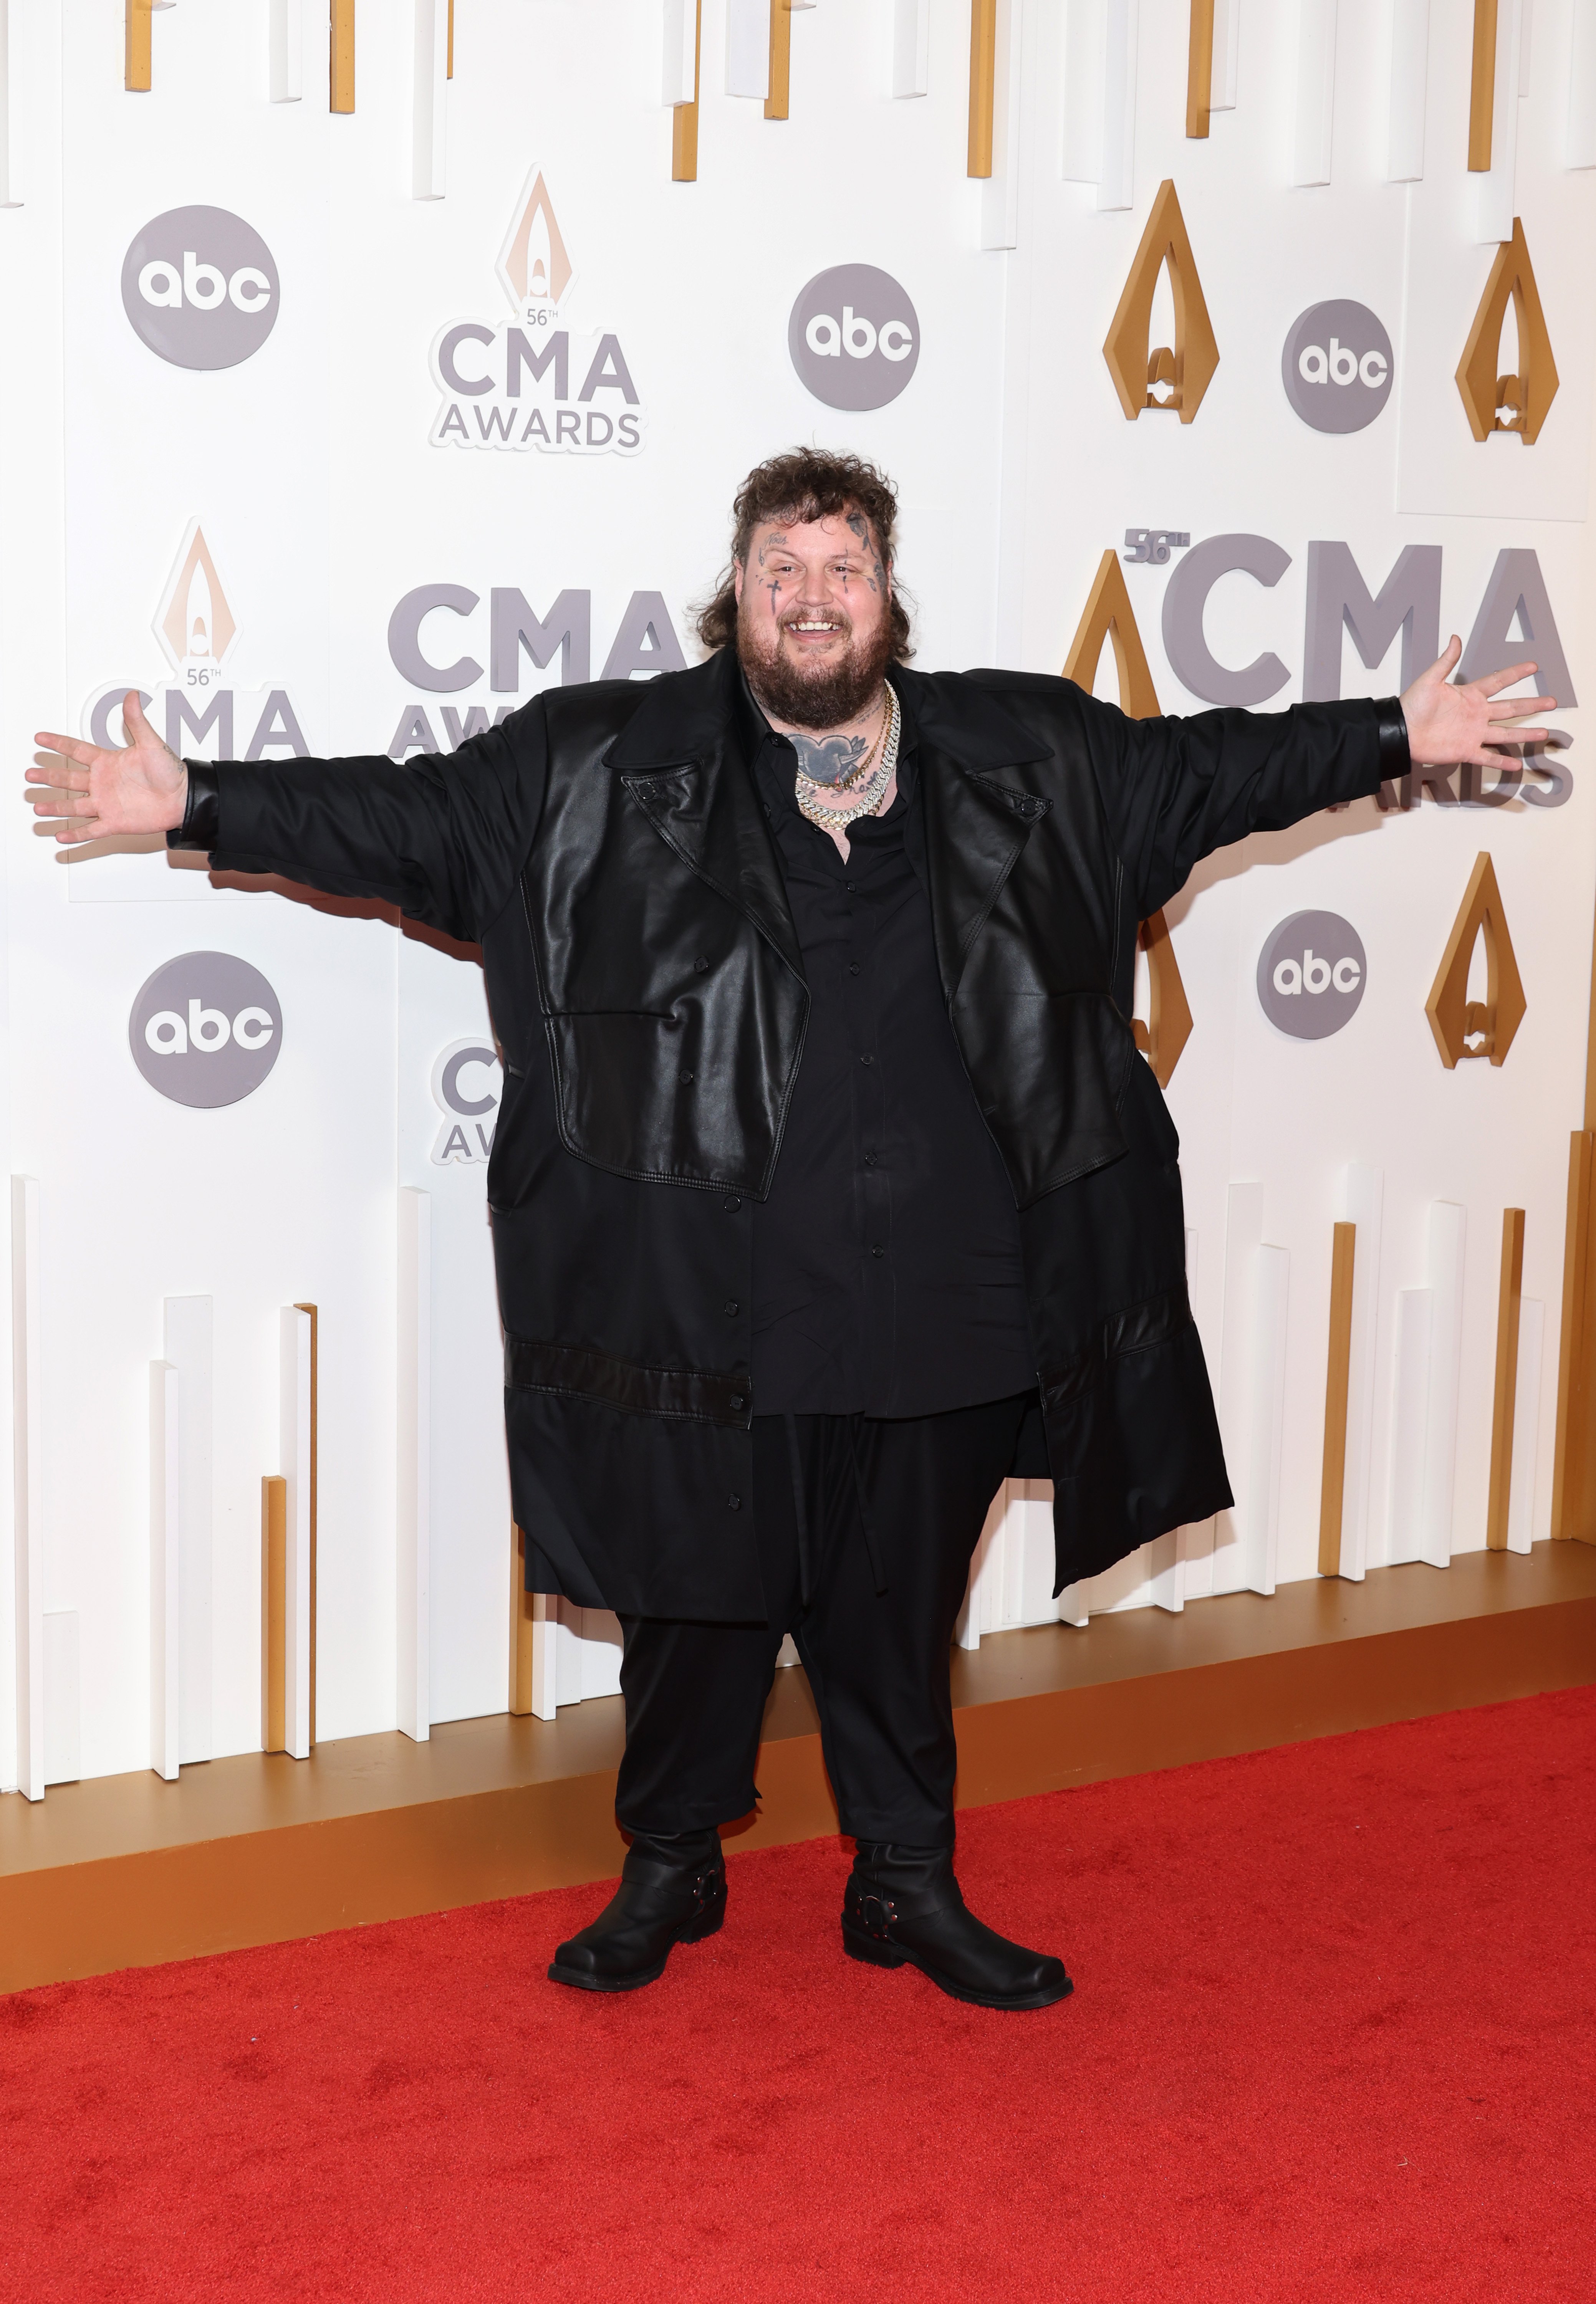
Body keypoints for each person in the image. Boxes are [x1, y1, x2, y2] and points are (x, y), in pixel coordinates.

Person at [32, 449, 1549, 2011]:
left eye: (843, 570)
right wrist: (199, 802)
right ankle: (667, 1866)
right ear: (736, 595)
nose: (813, 600)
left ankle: (904, 1883)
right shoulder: (598, 766)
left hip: (952, 1292)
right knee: (696, 1601)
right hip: (708, 1295)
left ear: (886, 597)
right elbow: (409, 823)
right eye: (783, 570)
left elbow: (1210, 770)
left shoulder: (1031, 754)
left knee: (899, 1605)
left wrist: (1392, 735)